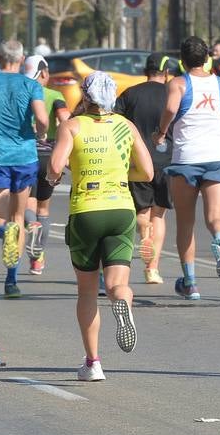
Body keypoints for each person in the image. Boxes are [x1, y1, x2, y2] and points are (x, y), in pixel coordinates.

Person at [46, 72, 154, 381]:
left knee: (88, 291)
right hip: (121, 208)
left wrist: (57, 176)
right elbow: (147, 172)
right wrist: (119, 175)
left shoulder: (72, 126)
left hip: (87, 210)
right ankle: (122, 299)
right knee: (117, 283)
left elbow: (55, 166)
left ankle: (93, 362)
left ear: (85, 96)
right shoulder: (126, 126)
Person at [153, 36, 220, 300]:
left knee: (185, 223)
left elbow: (171, 108)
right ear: (207, 58)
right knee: (215, 217)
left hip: (186, 160)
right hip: (217, 155)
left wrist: (161, 132)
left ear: (182, 60)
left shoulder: (179, 84)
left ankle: (191, 283)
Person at [0, 39, 48, 298]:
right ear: (21, 57)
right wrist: (41, 133)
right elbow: (42, 118)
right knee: (19, 216)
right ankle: (11, 281)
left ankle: (6, 234)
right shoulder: (31, 85)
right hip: (25, 155)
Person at [114, 54, 174, 284]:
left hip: (137, 162)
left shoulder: (131, 93)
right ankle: (152, 269)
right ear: (166, 72)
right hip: (165, 161)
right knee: (159, 213)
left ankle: (144, 233)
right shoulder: (171, 93)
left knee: (142, 213)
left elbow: (117, 122)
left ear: (145, 71)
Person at [22, 54, 69, 276]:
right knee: (44, 208)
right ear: (43, 73)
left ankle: (33, 238)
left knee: (25, 207)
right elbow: (65, 118)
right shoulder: (54, 95)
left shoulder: (22, 92)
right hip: (48, 158)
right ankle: (38, 260)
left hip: (25, 155)